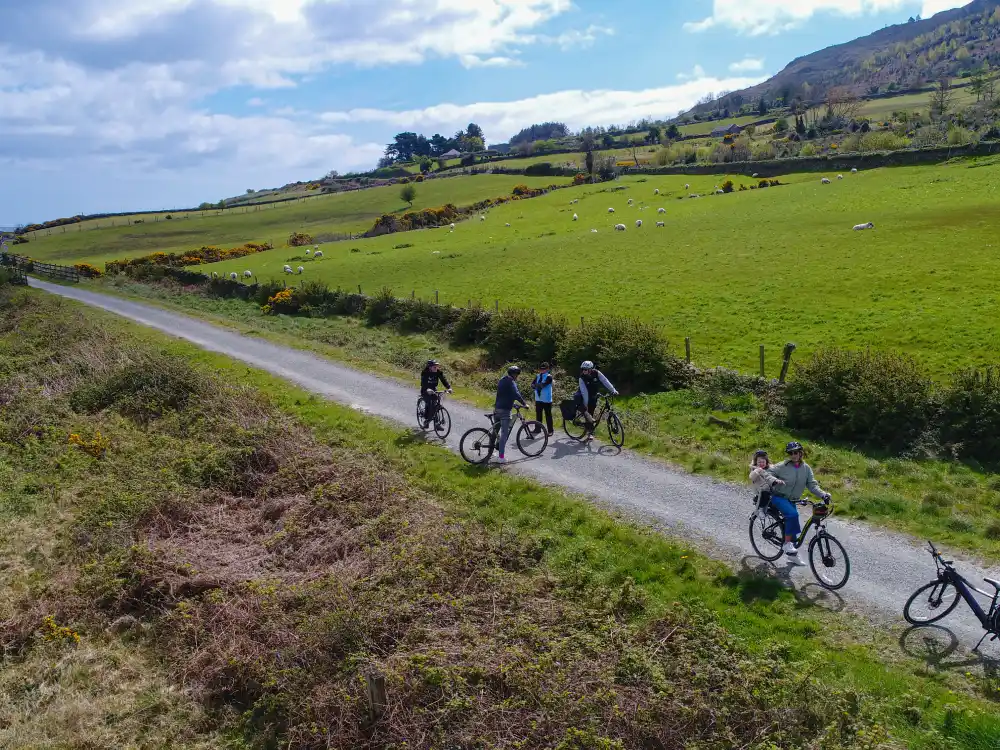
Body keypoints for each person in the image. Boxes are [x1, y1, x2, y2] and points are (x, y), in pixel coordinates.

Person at [766, 441, 832, 563]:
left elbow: (812, 485)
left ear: (801, 453)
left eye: (795, 452)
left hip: (792, 500)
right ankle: (786, 544)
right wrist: (774, 480)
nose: (793, 455)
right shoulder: (782, 466)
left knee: (794, 528)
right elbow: (768, 473)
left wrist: (823, 494)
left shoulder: (806, 469)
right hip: (779, 497)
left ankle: (792, 555)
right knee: (793, 515)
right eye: (790, 453)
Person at [575, 360, 618, 441]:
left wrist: (613, 390)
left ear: (591, 369)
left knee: (592, 410)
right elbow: (584, 392)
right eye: (583, 369)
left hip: (593, 395)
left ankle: (590, 427)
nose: (584, 371)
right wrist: (586, 404)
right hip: (583, 395)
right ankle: (590, 433)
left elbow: (605, 381)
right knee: (589, 414)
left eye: (586, 369)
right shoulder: (582, 378)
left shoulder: (597, 373)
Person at [494, 365, 529, 463]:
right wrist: (524, 404)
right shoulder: (511, 382)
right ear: (514, 374)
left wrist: (513, 404)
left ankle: (490, 452)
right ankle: (501, 457)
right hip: (505, 411)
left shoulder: (502, 380)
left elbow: (503, 395)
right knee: (504, 434)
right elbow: (516, 394)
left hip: (496, 409)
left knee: (495, 433)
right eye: (517, 374)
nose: (517, 376)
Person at [749, 449, 785, 517]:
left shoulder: (770, 468)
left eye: (763, 462)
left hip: (769, 489)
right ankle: (760, 509)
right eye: (759, 462)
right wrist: (756, 472)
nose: (761, 464)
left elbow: (773, 474)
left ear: (766, 462)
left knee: (778, 497)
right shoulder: (756, 469)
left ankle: (776, 512)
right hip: (760, 491)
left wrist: (779, 479)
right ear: (756, 462)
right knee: (765, 492)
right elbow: (752, 477)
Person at [419, 359, 452, 429]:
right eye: (434, 366)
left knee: (435, 405)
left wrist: (449, 387)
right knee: (429, 403)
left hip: (433, 389)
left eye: (437, 366)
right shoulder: (425, 373)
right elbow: (423, 383)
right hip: (425, 390)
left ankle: (436, 424)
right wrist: (427, 389)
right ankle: (426, 420)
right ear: (430, 367)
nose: (436, 368)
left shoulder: (438, 372)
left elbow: (443, 380)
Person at [531, 362, 554, 436]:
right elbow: (532, 385)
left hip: (546, 399)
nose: (542, 370)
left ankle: (550, 430)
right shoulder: (537, 376)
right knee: (538, 415)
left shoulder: (549, 376)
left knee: (548, 415)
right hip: (538, 398)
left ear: (547, 369)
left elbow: (543, 385)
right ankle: (537, 429)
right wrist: (537, 385)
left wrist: (537, 385)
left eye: (544, 369)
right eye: (541, 369)